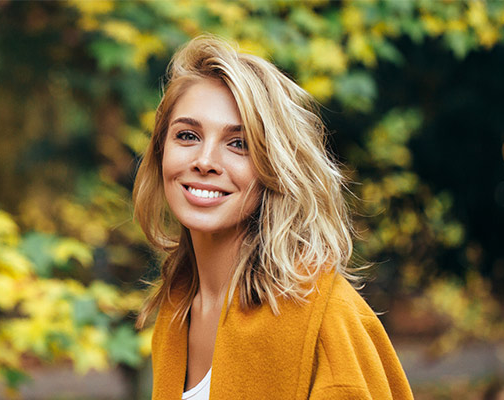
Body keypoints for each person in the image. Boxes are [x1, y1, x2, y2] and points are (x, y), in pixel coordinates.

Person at [133, 35, 413, 400]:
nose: (204, 161)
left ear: (274, 168)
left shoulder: (327, 318)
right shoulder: (176, 309)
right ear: (160, 152)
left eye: (239, 144)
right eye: (187, 135)